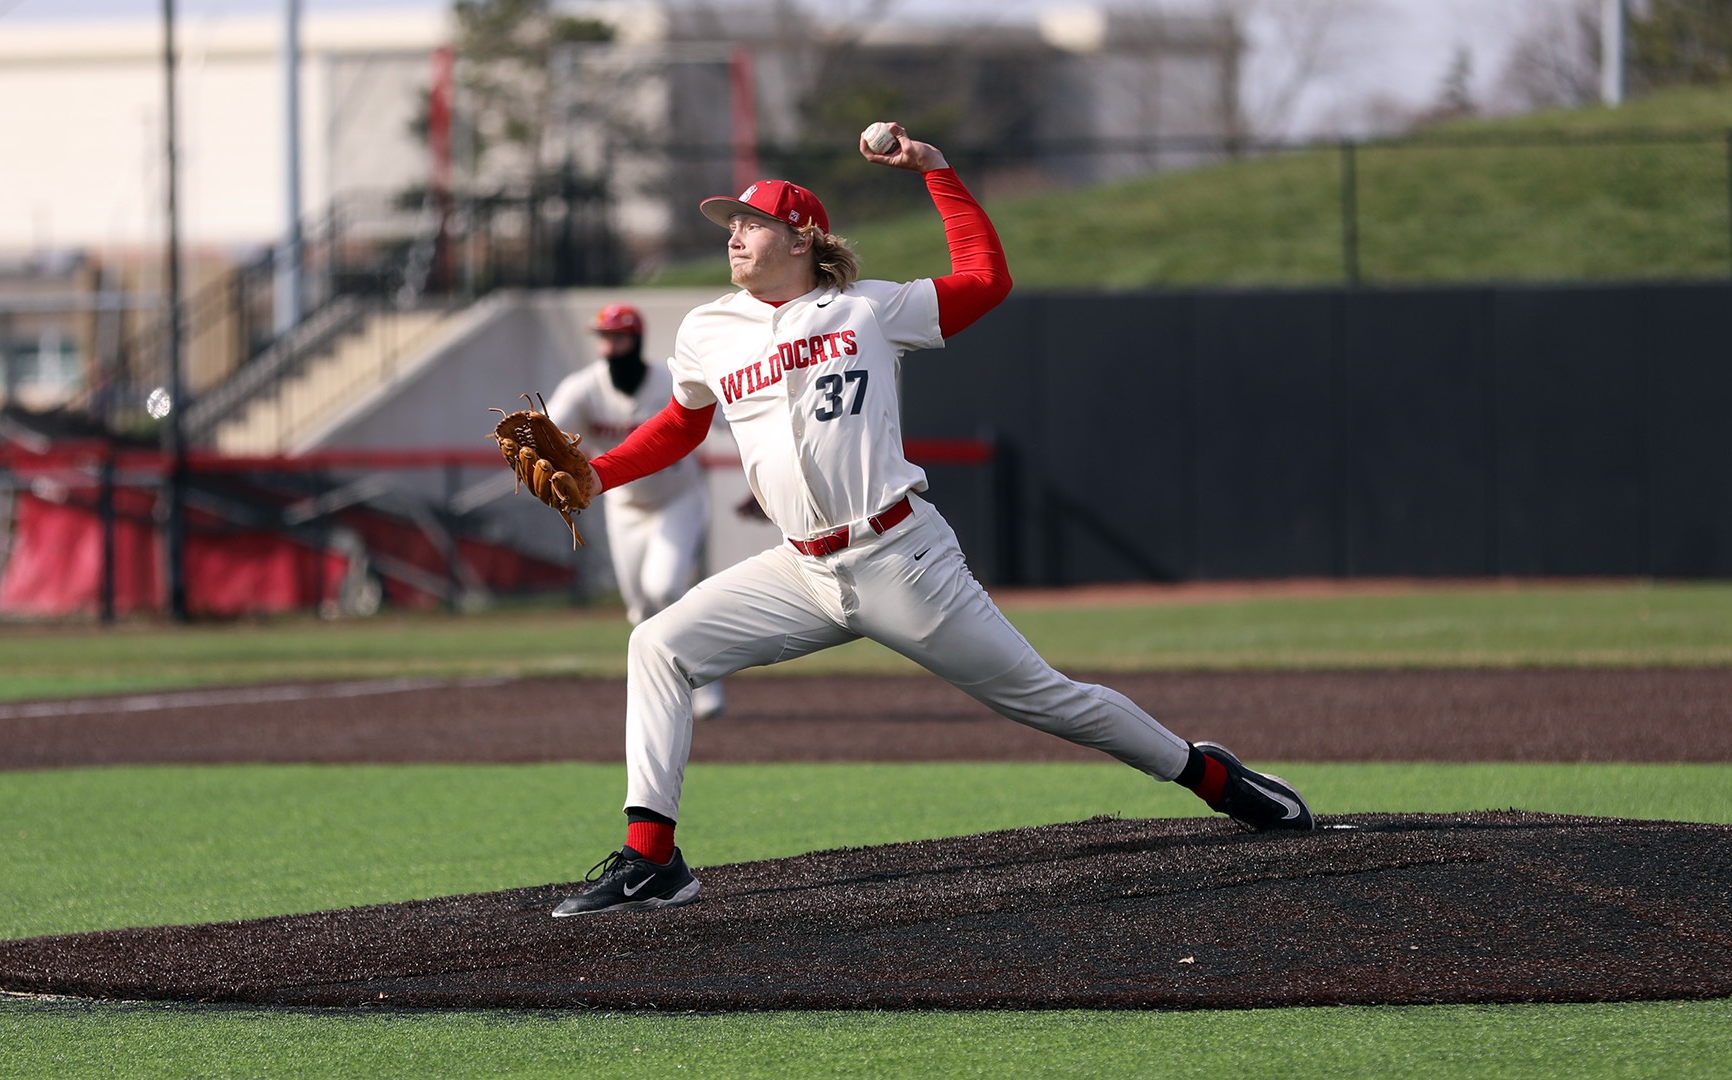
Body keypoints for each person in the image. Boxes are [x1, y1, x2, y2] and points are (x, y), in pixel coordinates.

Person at [550, 122, 1313, 918]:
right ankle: (653, 862)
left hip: (899, 558)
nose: (733, 236)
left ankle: (1213, 776)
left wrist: (937, 172)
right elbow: (682, 422)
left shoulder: (868, 311)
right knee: (658, 645)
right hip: (799, 569)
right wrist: (596, 474)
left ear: (801, 238)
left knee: (1049, 702)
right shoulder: (709, 329)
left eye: (750, 224)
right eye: (730, 225)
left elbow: (985, 280)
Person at [545, 301, 726, 722]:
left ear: (637, 340)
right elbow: (548, 429)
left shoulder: (669, 382)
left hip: (677, 499)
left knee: (664, 587)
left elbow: (730, 421)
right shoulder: (584, 387)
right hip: (623, 507)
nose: (610, 346)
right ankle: (664, 690)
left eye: (619, 337)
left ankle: (707, 681)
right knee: (641, 608)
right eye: (604, 338)